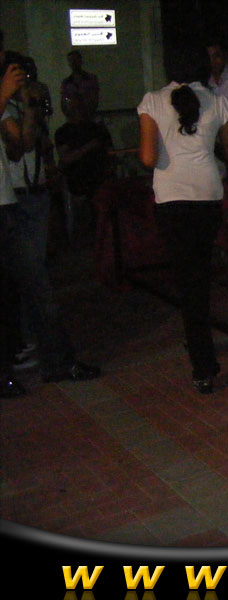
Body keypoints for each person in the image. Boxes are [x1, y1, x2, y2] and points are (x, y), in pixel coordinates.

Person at [137, 43, 228, 394]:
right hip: (207, 196)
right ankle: (201, 346)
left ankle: (202, 364)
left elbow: (148, 158)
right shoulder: (218, 102)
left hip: (172, 198)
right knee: (200, 275)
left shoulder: (153, 101)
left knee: (188, 282)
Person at [0, 52, 100, 384]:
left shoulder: (15, 107)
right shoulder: (6, 109)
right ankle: (46, 357)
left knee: (33, 283)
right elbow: (18, 147)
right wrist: (23, 105)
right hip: (15, 200)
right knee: (34, 285)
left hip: (27, 196)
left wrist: (33, 109)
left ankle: (41, 354)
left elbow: (36, 145)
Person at [1, 61, 27, 397]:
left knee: (8, 289)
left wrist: (29, 112)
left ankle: (8, 363)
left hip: (5, 201)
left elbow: (18, 147)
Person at [60, 50, 99, 120]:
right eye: (70, 60)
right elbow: (64, 102)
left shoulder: (91, 79)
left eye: (75, 59)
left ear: (80, 61)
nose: (73, 62)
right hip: (72, 118)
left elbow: (95, 98)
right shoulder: (66, 82)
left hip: (88, 117)